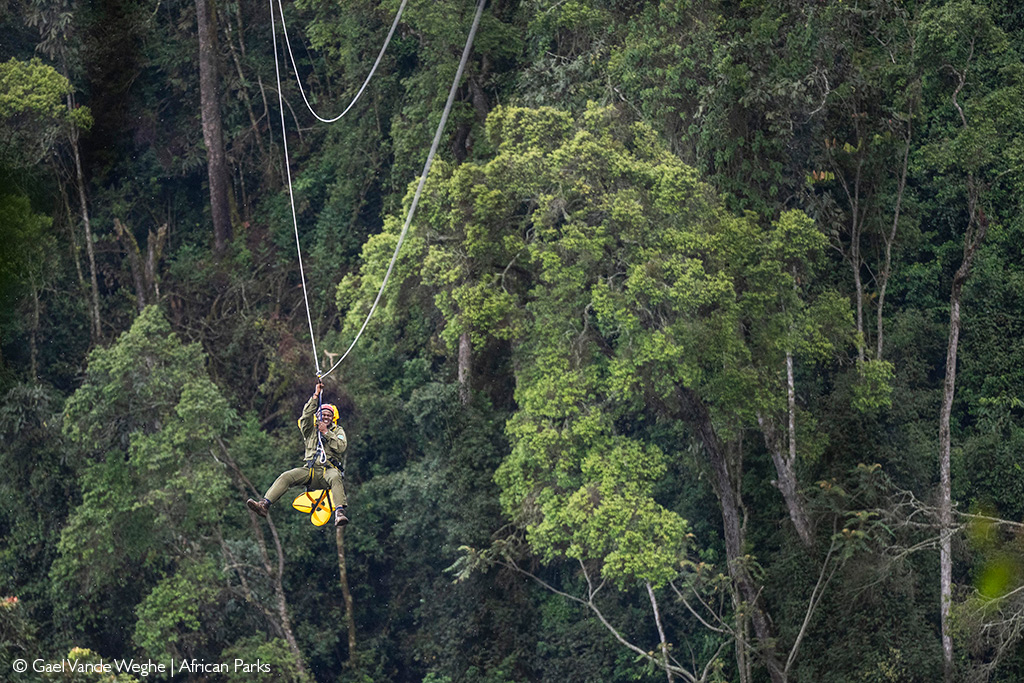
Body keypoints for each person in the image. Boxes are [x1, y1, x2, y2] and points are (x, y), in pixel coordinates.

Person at [247, 381, 349, 526]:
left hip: (328, 470)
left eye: (329, 415)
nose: (326, 417)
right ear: (318, 416)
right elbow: (306, 415)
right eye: (323, 414)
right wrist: (315, 396)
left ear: (333, 418)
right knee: (286, 476)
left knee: (335, 477)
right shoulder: (309, 429)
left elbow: (341, 447)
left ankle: (339, 513)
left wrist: (326, 432)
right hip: (311, 471)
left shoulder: (337, 431)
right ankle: (264, 505)